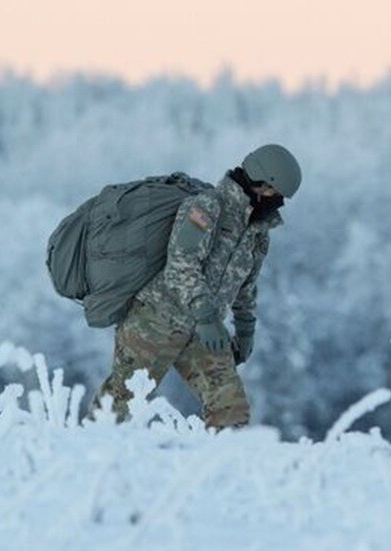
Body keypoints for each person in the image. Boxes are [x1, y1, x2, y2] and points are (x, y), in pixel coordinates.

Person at [92, 144, 301, 429]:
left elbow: (246, 285)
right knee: (120, 404)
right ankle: (86, 451)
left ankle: (223, 457)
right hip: (155, 320)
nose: (278, 202)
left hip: (204, 331)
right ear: (261, 183)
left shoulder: (257, 232)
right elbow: (181, 264)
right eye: (276, 193)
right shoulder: (207, 208)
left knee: (231, 408)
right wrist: (205, 316)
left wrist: (245, 329)